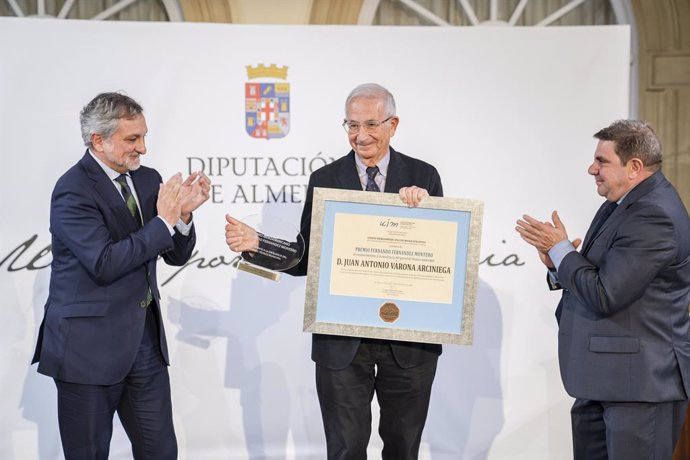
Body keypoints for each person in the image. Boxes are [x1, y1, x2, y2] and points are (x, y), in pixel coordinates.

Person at [225, 83, 443, 459]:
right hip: (342, 342)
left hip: (408, 343)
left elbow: (441, 258)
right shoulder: (325, 179)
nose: (361, 136)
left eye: (372, 124)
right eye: (352, 125)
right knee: (344, 450)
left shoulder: (424, 177)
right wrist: (257, 244)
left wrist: (428, 214)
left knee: (404, 449)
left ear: (394, 124)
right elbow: (308, 257)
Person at [31, 92, 210, 459]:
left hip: (145, 346)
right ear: (98, 140)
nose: (143, 148)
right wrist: (163, 220)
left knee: (161, 452)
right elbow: (104, 262)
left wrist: (184, 218)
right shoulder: (72, 190)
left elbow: (174, 254)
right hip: (87, 351)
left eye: (144, 136)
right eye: (132, 139)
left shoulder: (148, 180)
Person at [515, 120, 690, 460]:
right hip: (603, 380)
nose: (591, 168)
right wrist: (557, 263)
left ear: (635, 166)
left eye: (602, 161)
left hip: (638, 388)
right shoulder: (621, 202)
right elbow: (599, 276)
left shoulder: (656, 214)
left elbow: (606, 293)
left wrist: (562, 250)